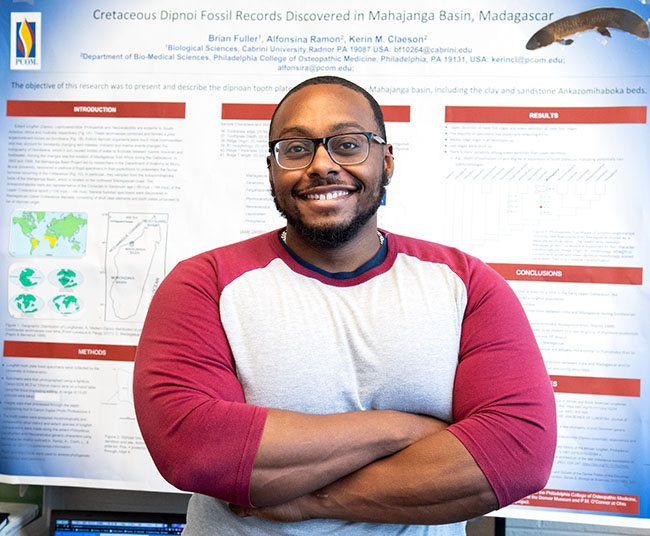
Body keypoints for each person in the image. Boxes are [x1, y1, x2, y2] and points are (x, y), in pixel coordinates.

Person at [133, 76, 557, 535]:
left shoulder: (467, 284)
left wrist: (316, 500)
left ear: (387, 159)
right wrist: (403, 429)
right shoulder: (204, 283)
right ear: (272, 168)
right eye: (295, 149)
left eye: (348, 144)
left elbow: (517, 455)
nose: (322, 165)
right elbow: (195, 451)